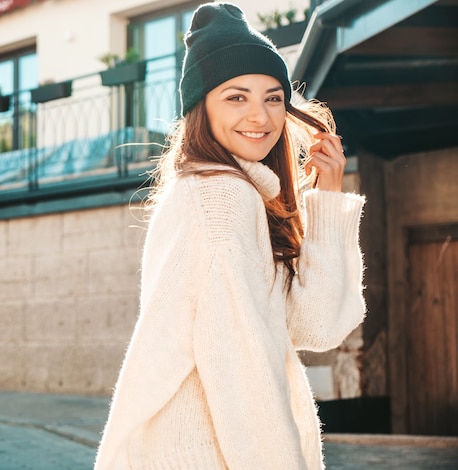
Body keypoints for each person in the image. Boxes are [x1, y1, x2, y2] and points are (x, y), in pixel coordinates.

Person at [95, 2, 366, 469]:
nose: (260, 116)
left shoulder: (229, 193)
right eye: (236, 97)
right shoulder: (220, 201)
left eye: (273, 97)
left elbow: (313, 327)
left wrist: (327, 199)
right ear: (201, 106)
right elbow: (243, 377)